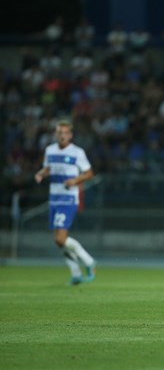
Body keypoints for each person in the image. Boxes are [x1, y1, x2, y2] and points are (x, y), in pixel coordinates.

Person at [34, 121, 96, 285]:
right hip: (54, 197)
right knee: (58, 240)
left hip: (68, 199)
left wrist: (75, 180)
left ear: (70, 135)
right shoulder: (50, 150)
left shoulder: (77, 152)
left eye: (65, 132)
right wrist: (42, 173)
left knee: (61, 239)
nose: (62, 135)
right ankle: (76, 274)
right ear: (56, 134)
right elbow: (48, 168)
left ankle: (88, 261)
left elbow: (89, 173)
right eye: (59, 132)